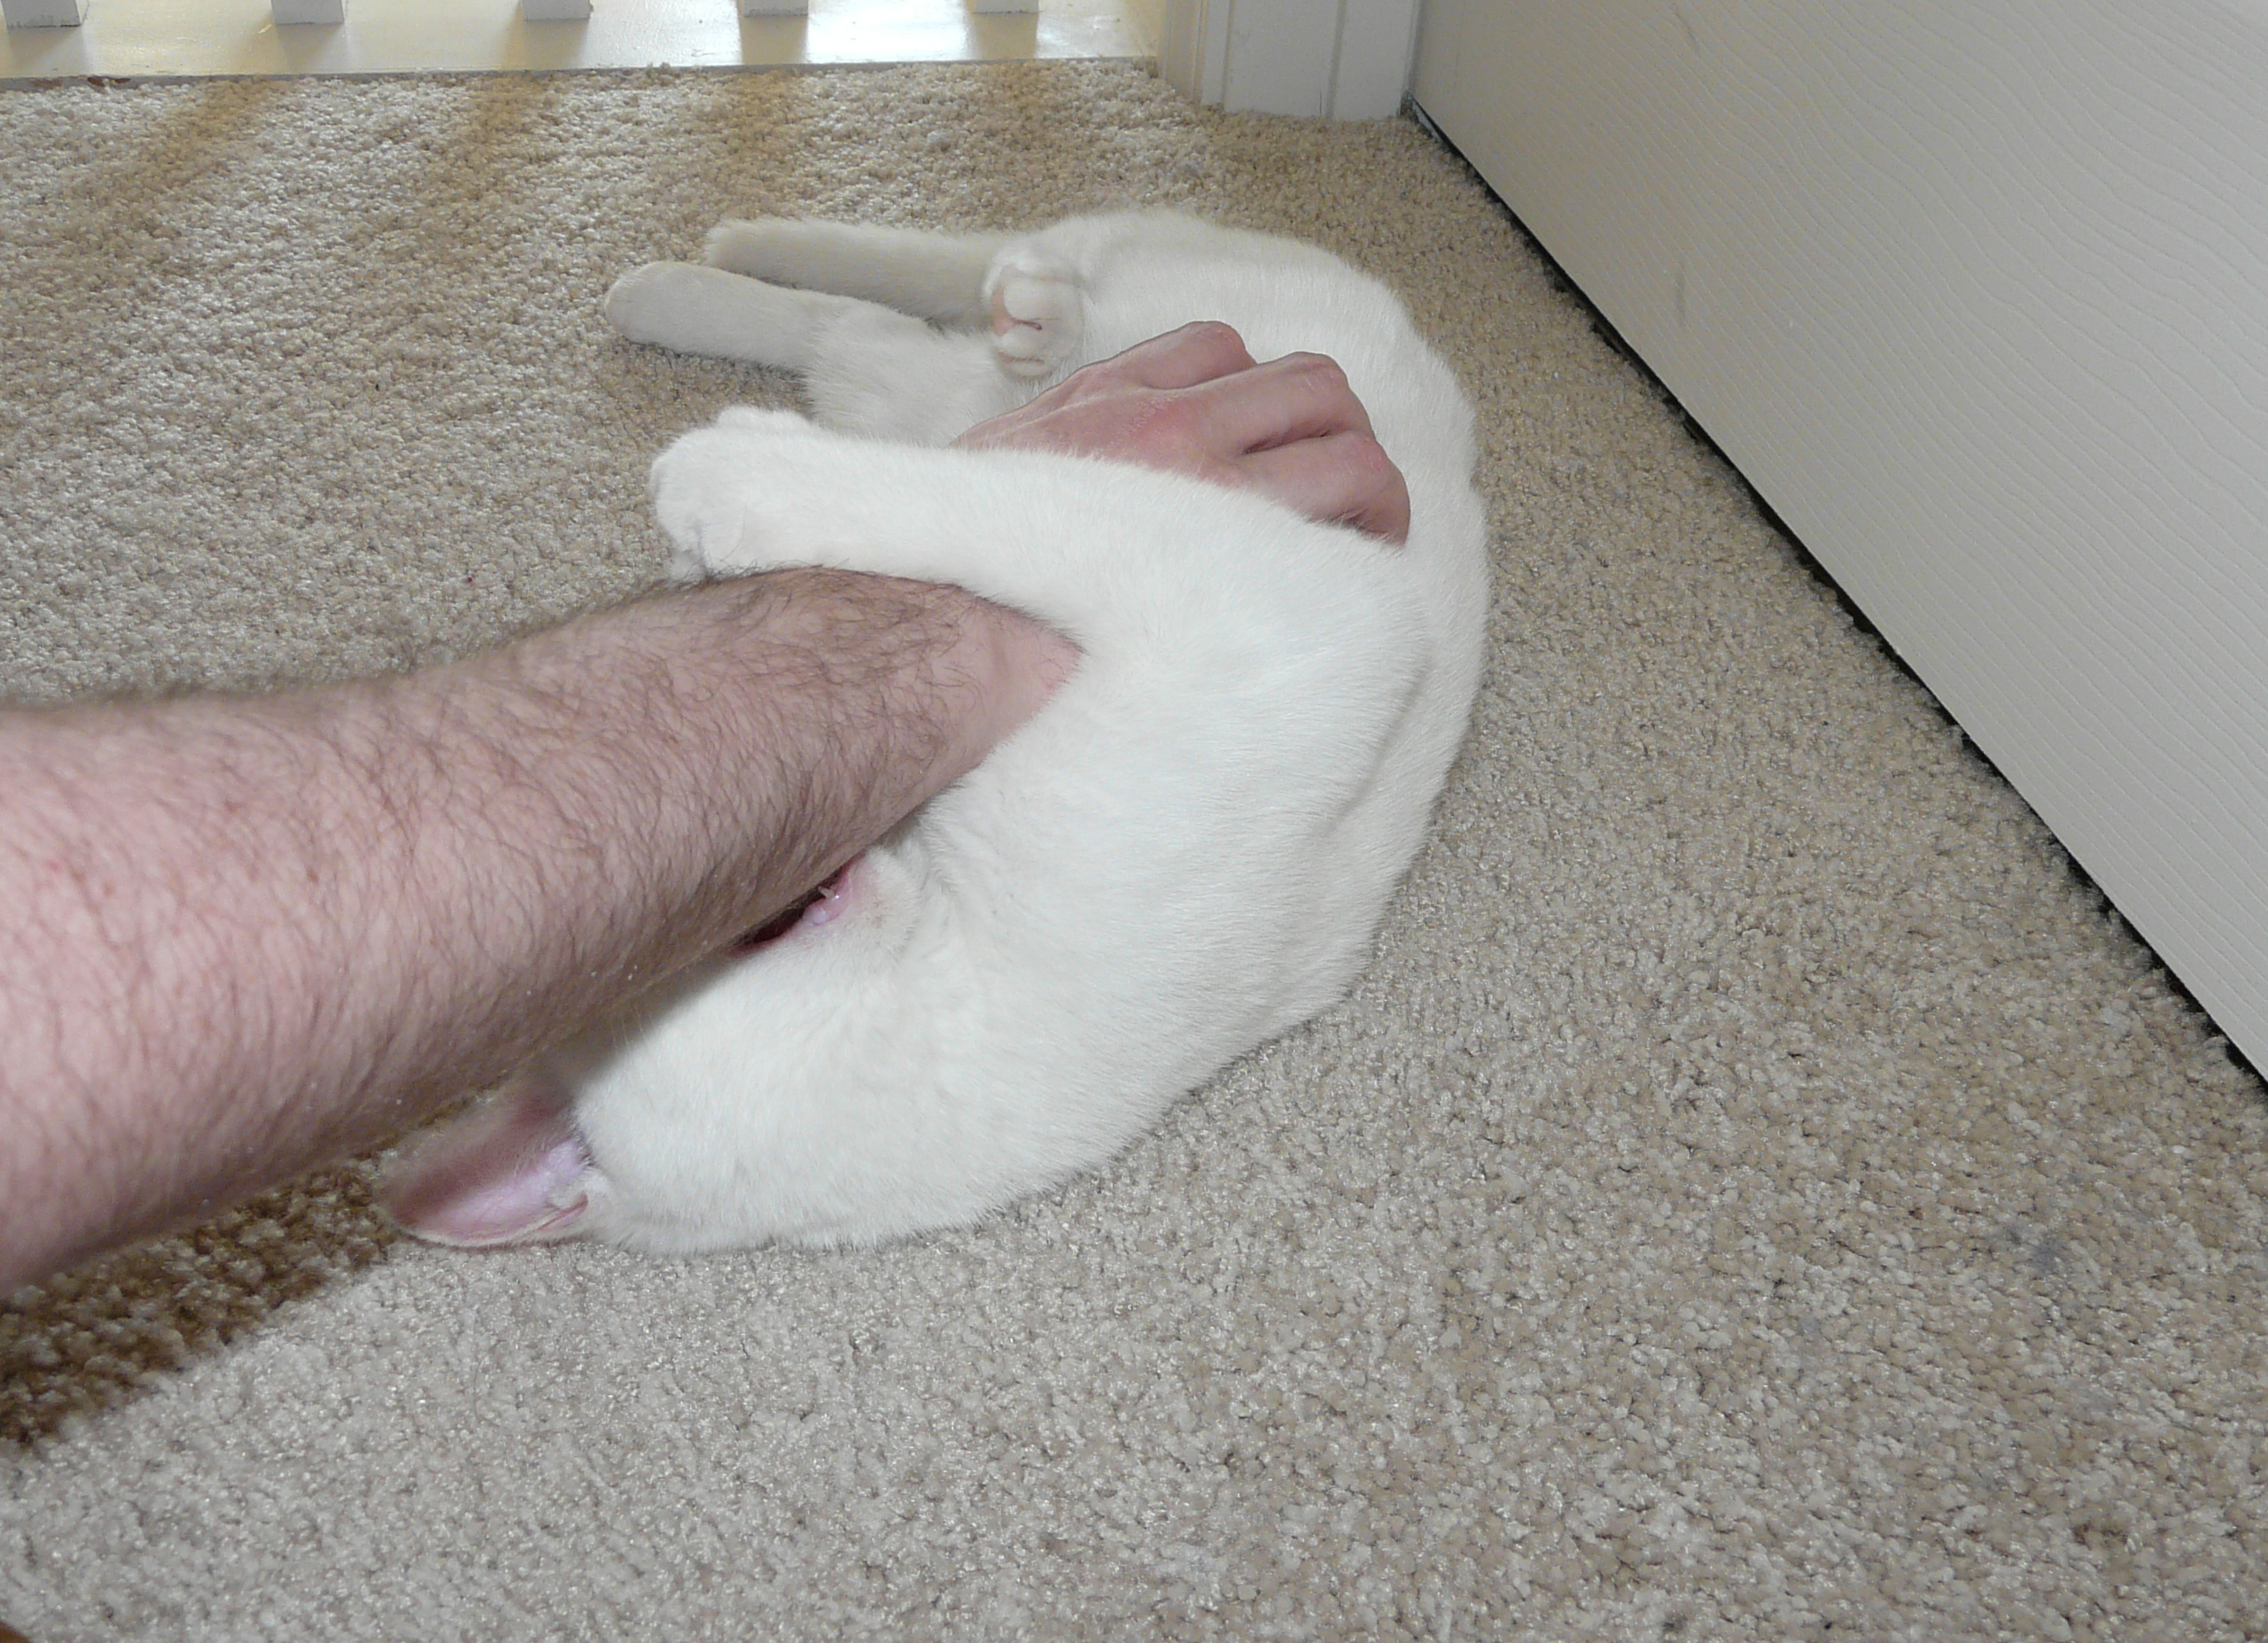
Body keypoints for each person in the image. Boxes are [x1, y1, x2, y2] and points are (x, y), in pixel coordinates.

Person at [0, 323, 1410, 1293]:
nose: (657, 920)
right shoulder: (1059, 1010)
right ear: (578, 1175)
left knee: (941, 358)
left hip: (1139, 423)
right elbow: (1336, 622)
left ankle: (818, 317)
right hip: (1321, 384)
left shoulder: (973, 1000)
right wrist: (901, 510)